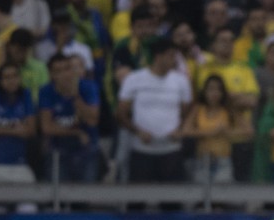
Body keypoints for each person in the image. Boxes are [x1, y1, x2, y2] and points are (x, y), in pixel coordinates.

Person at [117, 38, 192, 182]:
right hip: (142, 149)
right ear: (158, 56)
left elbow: (187, 112)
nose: (174, 60)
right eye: (171, 56)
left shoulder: (181, 81)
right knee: (137, 200)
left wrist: (180, 129)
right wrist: (138, 131)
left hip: (171, 149)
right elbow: (121, 114)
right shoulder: (134, 79)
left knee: (172, 201)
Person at [39, 54, 100, 182]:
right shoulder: (46, 91)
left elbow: (92, 121)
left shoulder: (88, 87)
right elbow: (47, 127)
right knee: (57, 195)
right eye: (59, 71)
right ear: (52, 75)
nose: (65, 74)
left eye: (67, 69)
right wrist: (77, 132)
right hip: (58, 150)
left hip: (86, 149)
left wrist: (75, 97)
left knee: (85, 196)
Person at [0, 63, 37, 184]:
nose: (11, 81)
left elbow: (31, 130)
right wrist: (13, 130)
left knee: (29, 202)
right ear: (0, 81)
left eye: (14, 76)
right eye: (7, 77)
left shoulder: (25, 95)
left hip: (19, 163)